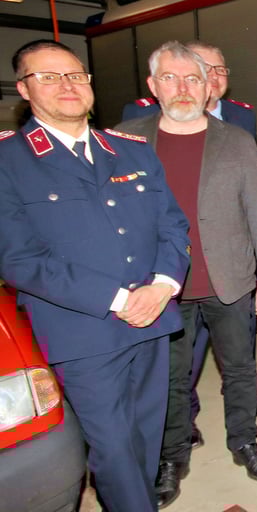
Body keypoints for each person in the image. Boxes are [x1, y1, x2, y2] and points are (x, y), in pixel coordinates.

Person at [0, 39, 190, 511]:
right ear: (24, 89)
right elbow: (18, 258)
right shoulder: (9, 161)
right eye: (49, 77)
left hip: (153, 317)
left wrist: (163, 286)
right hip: (83, 331)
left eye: (76, 76)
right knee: (114, 448)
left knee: (145, 437)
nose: (67, 86)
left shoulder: (131, 150)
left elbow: (173, 225)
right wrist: (120, 299)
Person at [116, 41, 257, 506]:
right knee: (171, 377)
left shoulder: (236, 140)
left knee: (240, 368)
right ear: (153, 86)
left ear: (208, 86)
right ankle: (173, 456)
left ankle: (244, 440)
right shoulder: (126, 140)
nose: (183, 88)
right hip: (161, 288)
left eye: (193, 79)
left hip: (228, 279)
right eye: (170, 78)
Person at [122, 41, 257, 139]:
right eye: (205, 68)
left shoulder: (243, 116)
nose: (214, 76)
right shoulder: (140, 114)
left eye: (220, 69)